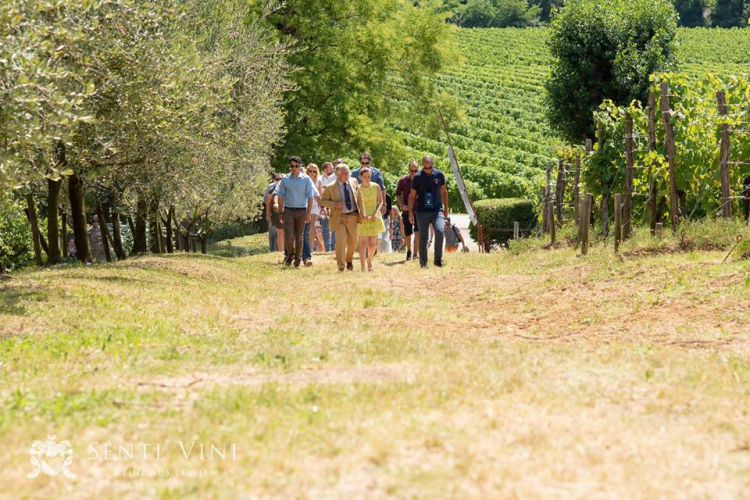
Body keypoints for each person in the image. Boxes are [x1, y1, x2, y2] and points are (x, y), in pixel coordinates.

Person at [273, 156, 317, 268]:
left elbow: (310, 197)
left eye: (296, 166)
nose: (294, 168)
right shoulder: (285, 179)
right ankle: (291, 254)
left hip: (301, 211)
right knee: (288, 236)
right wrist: (281, 211)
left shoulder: (306, 179)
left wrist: (308, 213)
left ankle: (297, 260)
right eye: (292, 166)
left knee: (299, 237)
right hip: (288, 210)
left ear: (299, 166)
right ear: (290, 166)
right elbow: (281, 195)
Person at [408, 155, 449, 268]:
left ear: (433, 165)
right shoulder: (417, 177)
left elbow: (444, 193)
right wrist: (411, 213)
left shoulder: (439, 175)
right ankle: (423, 263)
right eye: (425, 168)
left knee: (440, 232)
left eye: (429, 167)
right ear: (422, 166)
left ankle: (437, 260)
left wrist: (446, 209)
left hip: (437, 210)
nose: (428, 170)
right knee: (423, 238)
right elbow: (412, 196)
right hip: (421, 211)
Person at [321, 164, 362, 272]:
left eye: (348, 172)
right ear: (337, 174)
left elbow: (359, 198)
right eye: (345, 173)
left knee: (353, 242)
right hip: (339, 218)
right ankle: (341, 266)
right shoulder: (330, 187)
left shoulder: (354, 181)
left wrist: (363, 213)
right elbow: (323, 200)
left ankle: (349, 260)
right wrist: (334, 204)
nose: (347, 175)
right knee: (341, 242)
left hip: (352, 216)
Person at [356, 167, 386, 272]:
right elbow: (356, 203)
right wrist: (361, 213)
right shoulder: (357, 188)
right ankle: (362, 265)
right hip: (362, 217)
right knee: (363, 242)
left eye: (369, 176)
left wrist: (376, 213)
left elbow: (381, 201)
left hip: (374, 216)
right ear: (360, 177)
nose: (367, 179)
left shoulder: (376, 186)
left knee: (372, 243)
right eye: (365, 177)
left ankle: (370, 261)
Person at [396, 160, 420, 261]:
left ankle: (415, 253)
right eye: (411, 170)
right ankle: (409, 251)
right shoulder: (403, 180)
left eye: (416, 170)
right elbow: (397, 194)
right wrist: (401, 205)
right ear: (408, 169)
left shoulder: (420, 180)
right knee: (408, 233)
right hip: (406, 211)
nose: (413, 172)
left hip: (418, 210)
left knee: (418, 232)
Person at [303, 164, 324, 263]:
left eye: (314, 171)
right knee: (304, 227)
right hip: (305, 206)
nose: (312, 173)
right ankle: (304, 247)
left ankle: (310, 248)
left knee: (312, 227)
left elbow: (319, 195)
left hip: (315, 206)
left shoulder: (318, 181)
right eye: (310, 171)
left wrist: (322, 208)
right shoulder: (304, 180)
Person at [264, 173, 284, 253]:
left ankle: (288, 251)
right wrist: (268, 215)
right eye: (277, 179)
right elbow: (268, 204)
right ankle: (280, 252)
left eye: (280, 179)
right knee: (280, 233)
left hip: (287, 212)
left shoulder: (287, 189)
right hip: (276, 214)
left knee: (288, 234)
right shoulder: (271, 191)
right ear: (274, 180)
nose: (279, 180)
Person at [320, 162, 337, 252]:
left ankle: (333, 247)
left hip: (333, 206)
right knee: (325, 228)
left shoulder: (335, 179)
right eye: (330, 169)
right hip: (323, 207)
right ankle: (327, 248)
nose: (332, 170)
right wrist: (323, 207)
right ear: (325, 170)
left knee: (334, 227)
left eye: (332, 168)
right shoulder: (320, 180)